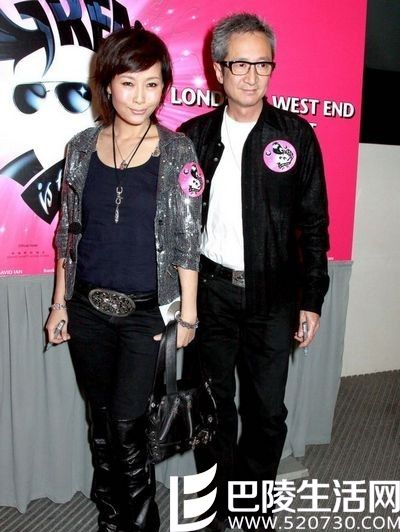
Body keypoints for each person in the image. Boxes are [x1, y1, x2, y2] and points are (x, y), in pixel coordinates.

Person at [46, 22, 203, 532]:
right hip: (87, 310)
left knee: (129, 428)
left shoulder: (178, 152)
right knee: (100, 425)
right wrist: (59, 304)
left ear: (164, 87)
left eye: (152, 83)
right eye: (129, 83)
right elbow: (68, 233)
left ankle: (138, 526)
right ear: (108, 85)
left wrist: (188, 316)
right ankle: (111, 520)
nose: (140, 96)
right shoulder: (80, 148)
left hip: (145, 316)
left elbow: (187, 238)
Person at [180, 12, 329, 532]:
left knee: (266, 414)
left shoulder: (295, 136)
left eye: (262, 64)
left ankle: (251, 513)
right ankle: (212, 511)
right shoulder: (193, 137)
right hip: (211, 294)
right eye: (239, 64)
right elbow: (177, 229)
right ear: (218, 69)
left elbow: (314, 224)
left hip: (273, 297)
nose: (251, 75)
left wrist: (312, 299)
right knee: (212, 409)